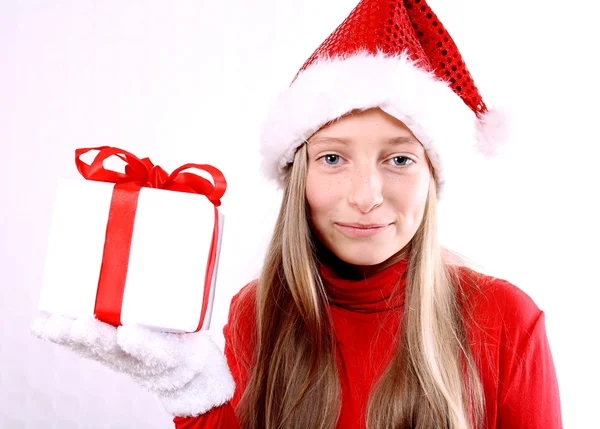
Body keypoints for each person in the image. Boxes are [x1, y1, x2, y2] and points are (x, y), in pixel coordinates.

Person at [32, 0, 563, 428]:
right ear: (297, 175)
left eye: (399, 159)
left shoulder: (506, 322)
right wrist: (190, 398)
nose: (365, 195)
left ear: (432, 177)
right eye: (333, 158)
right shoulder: (255, 314)